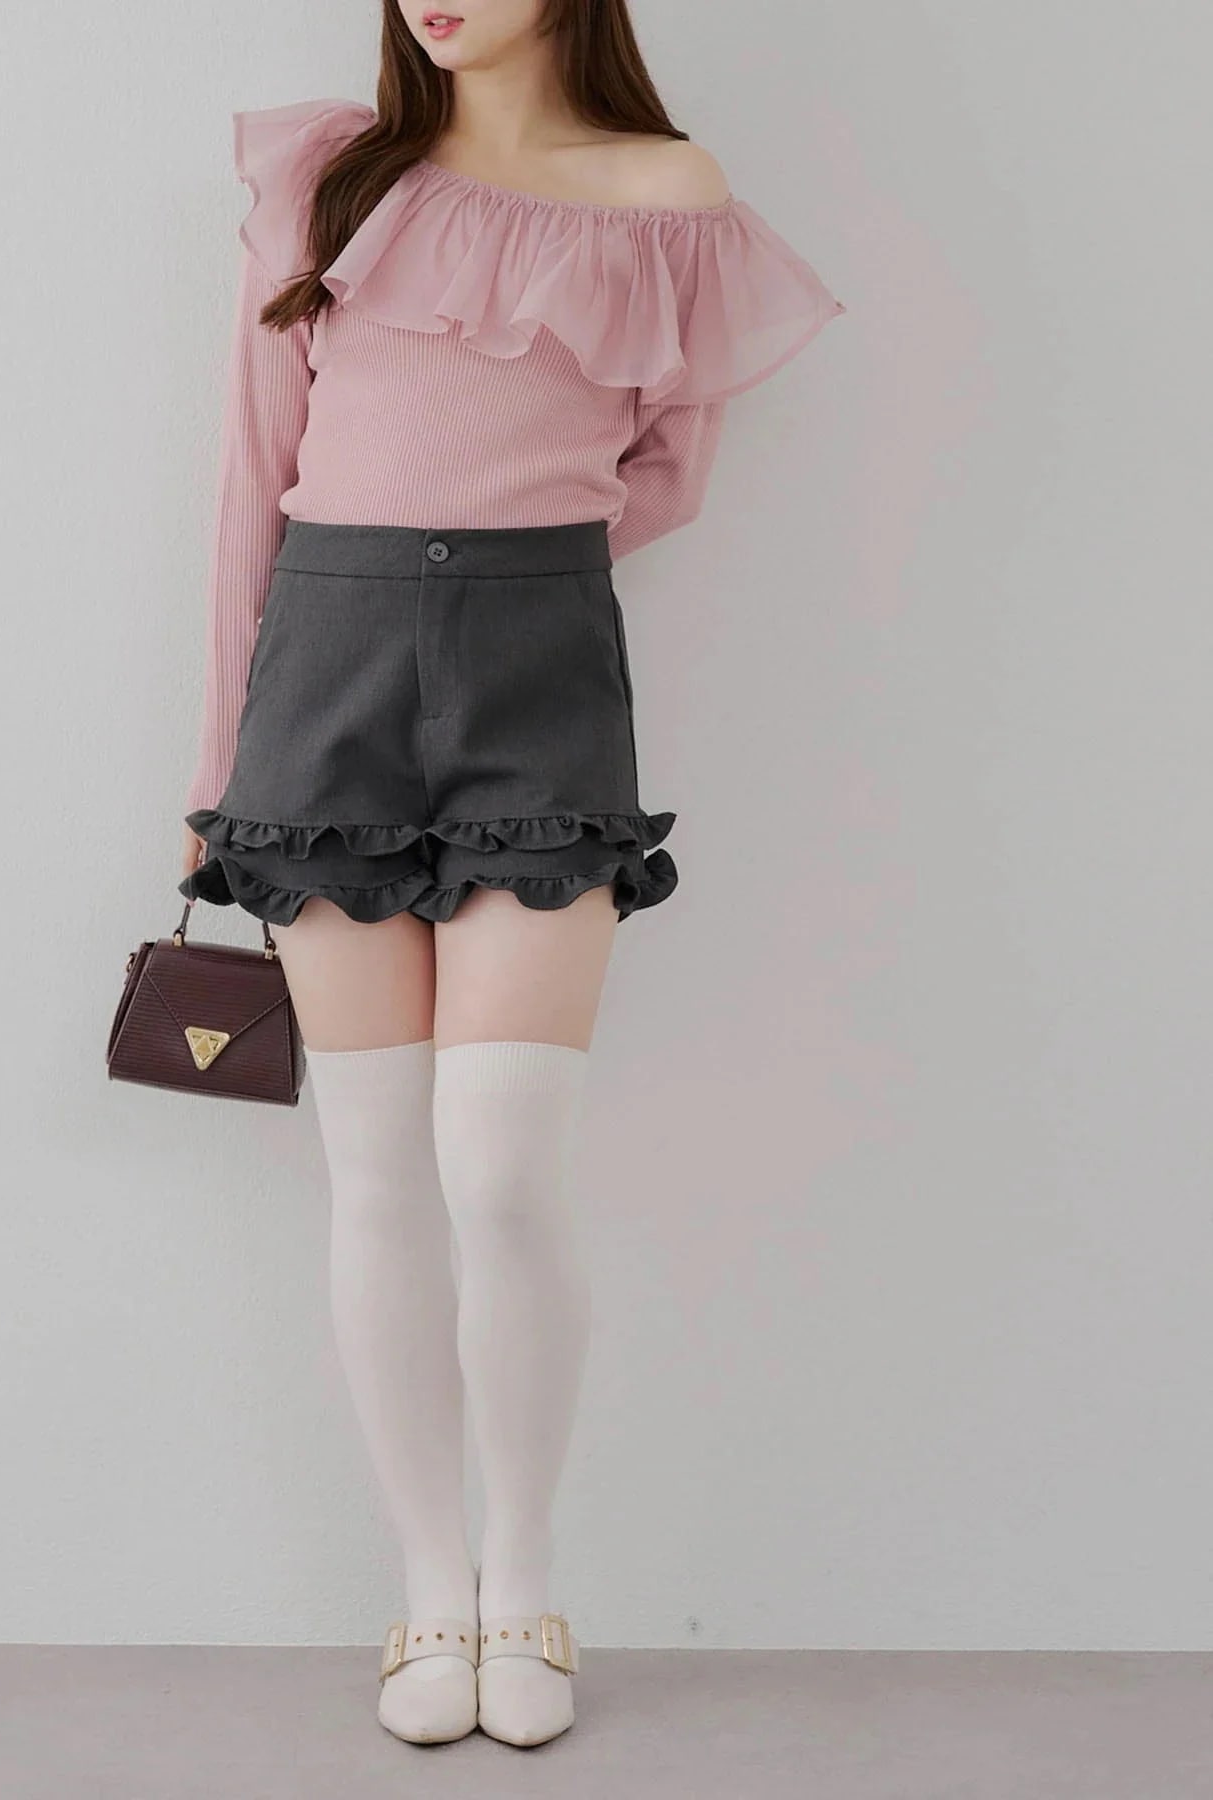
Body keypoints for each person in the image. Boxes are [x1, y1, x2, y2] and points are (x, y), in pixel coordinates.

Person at [175, 0, 844, 1750]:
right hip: (323, 669)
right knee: (376, 1165)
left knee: (500, 1158)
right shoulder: (332, 176)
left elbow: (664, 474)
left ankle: (524, 1581)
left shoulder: (665, 193)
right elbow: (251, 475)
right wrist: (216, 766)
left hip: (538, 674)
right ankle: (429, 1595)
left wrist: (500, 568)